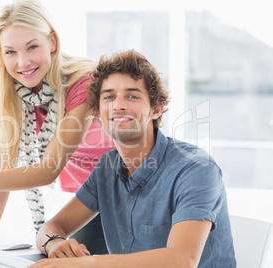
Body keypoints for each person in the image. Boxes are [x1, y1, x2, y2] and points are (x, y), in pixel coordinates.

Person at [30, 49, 236, 267]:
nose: (118, 105)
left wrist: (84, 264)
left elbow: (181, 260)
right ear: (98, 114)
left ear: (156, 109)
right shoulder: (107, 168)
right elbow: (51, 227)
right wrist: (54, 244)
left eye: (132, 96)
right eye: (109, 96)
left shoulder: (196, 168)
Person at [0, 0, 114, 254]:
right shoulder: (15, 92)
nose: (22, 62)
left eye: (32, 47)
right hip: (94, 195)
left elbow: (48, 170)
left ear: (52, 42)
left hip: (131, 188)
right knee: (61, 254)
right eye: (10, 52)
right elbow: (4, 159)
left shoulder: (84, 81)